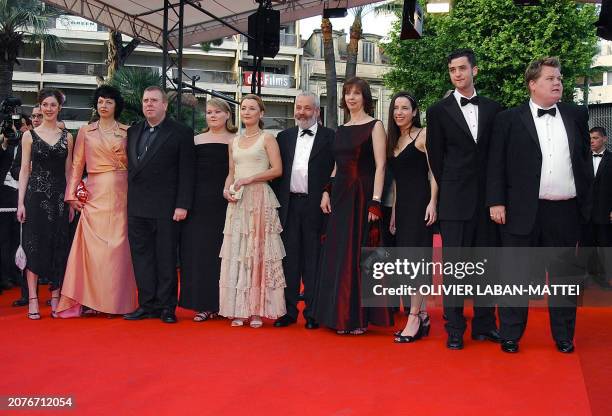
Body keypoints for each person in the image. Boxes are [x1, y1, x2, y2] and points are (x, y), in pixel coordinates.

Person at [487, 57, 592, 353]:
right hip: (521, 210)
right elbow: (496, 163)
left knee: (563, 278)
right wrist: (496, 201)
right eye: (550, 78)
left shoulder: (576, 115)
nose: (557, 82)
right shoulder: (508, 119)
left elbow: (583, 162)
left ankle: (563, 337)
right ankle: (510, 334)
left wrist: (587, 202)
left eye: (559, 77)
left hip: (565, 211)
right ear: (532, 84)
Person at [426, 48, 503, 350]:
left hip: (488, 201)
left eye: (462, 68)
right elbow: (435, 156)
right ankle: (455, 329)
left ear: (475, 70)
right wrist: (452, 186)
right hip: (455, 202)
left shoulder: (495, 109)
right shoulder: (438, 111)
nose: (457, 74)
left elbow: (498, 155)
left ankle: (485, 325)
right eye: (452, 70)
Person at [313, 77, 393, 335]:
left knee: (361, 253)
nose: (351, 97)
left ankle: (357, 317)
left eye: (357, 93)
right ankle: (339, 315)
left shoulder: (375, 125)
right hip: (341, 196)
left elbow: (381, 165)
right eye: (348, 93)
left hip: (363, 194)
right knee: (339, 253)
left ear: (365, 97)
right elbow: (337, 166)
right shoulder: (342, 128)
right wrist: (327, 191)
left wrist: (376, 201)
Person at [56, 85, 138, 317]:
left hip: (122, 193)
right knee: (92, 250)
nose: (104, 105)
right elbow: (76, 165)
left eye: (109, 102)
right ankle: (89, 300)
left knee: (118, 249)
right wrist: (71, 194)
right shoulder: (85, 131)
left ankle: (116, 303)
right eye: (101, 101)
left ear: (116, 106)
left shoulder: (127, 131)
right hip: (94, 194)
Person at [124, 86, 196, 324]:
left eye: (154, 100)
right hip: (137, 207)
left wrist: (182, 204)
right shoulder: (133, 131)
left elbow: (187, 172)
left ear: (165, 105)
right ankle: (147, 305)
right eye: (145, 100)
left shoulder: (181, 132)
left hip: (168, 207)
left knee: (165, 259)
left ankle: (166, 307)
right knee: (142, 258)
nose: (149, 104)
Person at [218, 94, 286, 328]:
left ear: (261, 113)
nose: (246, 112)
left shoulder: (268, 138)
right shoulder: (233, 142)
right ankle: (239, 309)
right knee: (239, 251)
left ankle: (257, 310)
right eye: (244, 108)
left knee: (258, 253)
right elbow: (231, 171)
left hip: (259, 199)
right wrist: (227, 189)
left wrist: (250, 179)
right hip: (238, 202)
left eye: (252, 109)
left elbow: (277, 170)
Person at [271, 92, 335, 329]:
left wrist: (328, 192)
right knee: (289, 261)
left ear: (317, 111)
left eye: (307, 108)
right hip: (288, 205)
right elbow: (276, 173)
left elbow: (335, 172)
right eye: (298, 107)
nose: (301, 112)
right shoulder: (283, 137)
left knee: (313, 261)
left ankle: (312, 312)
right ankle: (287, 312)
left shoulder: (330, 138)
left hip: (315, 206)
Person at [16, 88, 74, 319]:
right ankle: (32, 298)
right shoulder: (29, 136)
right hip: (35, 198)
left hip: (59, 199)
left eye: (53, 105)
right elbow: (23, 171)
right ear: (39, 107)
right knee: (34, 246)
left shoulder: (68, 137)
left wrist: (70, 200)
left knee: (59, 246)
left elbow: (69, 172)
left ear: (59, 107)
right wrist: (20, 203)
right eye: (45, 105)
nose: (49, 109)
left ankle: (56, 296)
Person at [387, 92, 438, 343]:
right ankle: (424, 314)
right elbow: (396, 182)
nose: (399, 112)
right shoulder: (392, 141)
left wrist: (433, 202)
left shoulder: (423, 135)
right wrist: (394, 211)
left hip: (421, 205)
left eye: (405, 108)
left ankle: (414, 317)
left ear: (415, 112)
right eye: (396, 108)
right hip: (404, 208)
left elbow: (434, 173)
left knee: (417, 262)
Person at [179, 98, 236, 322]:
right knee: (200, 253)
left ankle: (224, 304)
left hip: (226, 202)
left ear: (227, 115)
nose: (212, 116)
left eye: (217, 112)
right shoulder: (195, 140)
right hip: (199, 204)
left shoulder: (236, 140)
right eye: (209, 112)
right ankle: (203, 304)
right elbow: (187, 173)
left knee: (224, 254)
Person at [582, 127, 612, 290]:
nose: (592, 141)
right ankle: (587, 276)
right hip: (585, 213)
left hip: (605, 212)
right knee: (586, 246)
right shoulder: (582, 159)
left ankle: (603, 277)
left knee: (605, 245)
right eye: (590, 138)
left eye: (595, 138)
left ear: (604, 139)